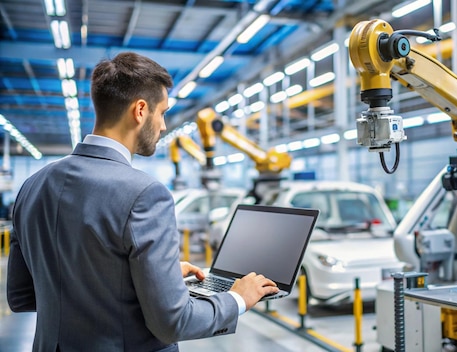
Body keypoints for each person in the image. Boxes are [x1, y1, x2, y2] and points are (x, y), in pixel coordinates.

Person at [7, 52, 279, 351]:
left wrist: (147, 278)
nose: (163, 126)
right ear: (140, 110)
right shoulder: (145, 194)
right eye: (162, 113)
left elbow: (23, 295)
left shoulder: (32, 185)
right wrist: (238, 297)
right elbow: (173, 322)